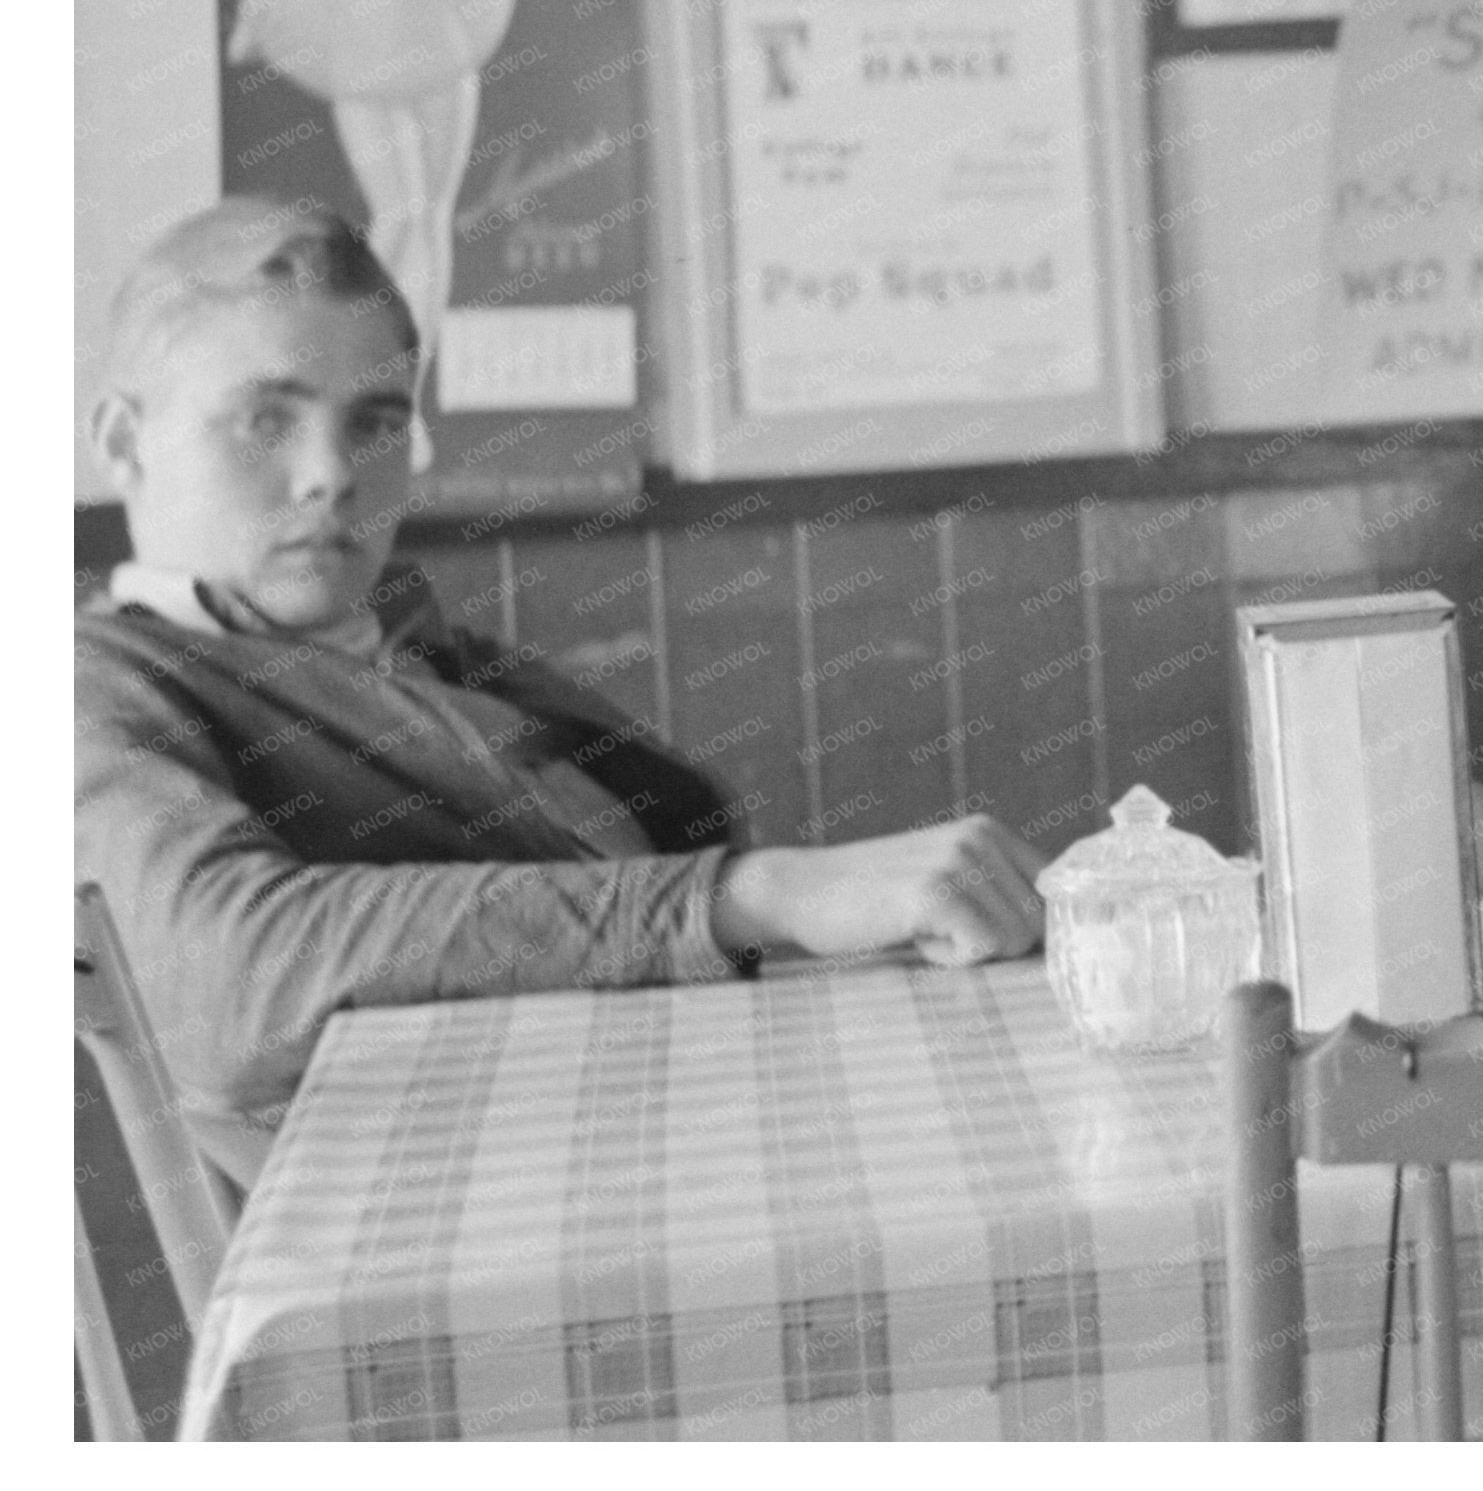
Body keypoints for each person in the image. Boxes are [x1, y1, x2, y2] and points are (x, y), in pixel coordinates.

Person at [75, 198, 1051, 1191]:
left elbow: (678, 838)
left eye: (373, 423)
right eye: (263, 419)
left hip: (680, 1135)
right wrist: (759, 893)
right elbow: (226, 977)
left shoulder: (415, 647)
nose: (330, 474)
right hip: (458, 1241)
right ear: (123, 441)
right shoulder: (92, 683)